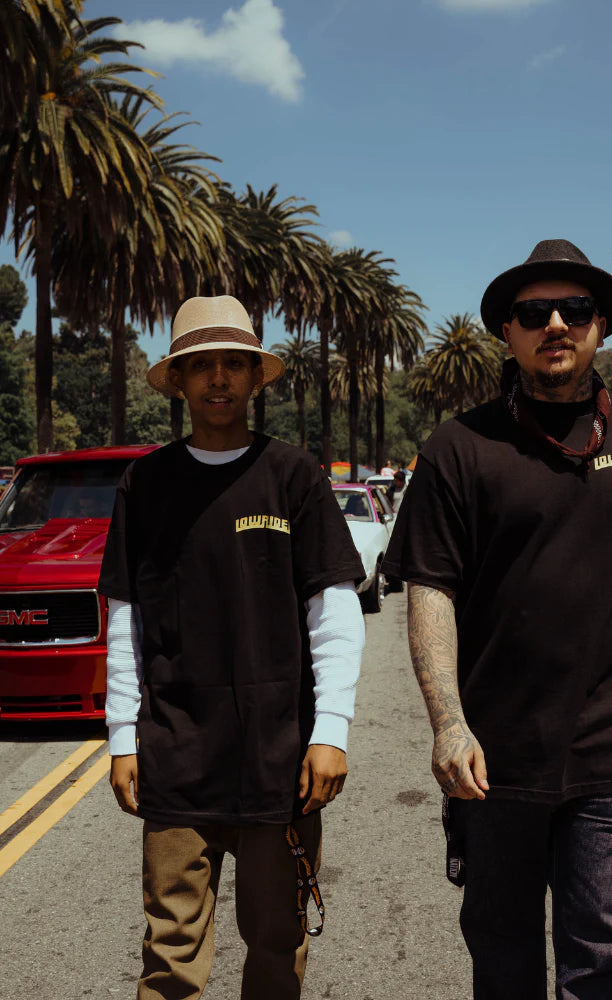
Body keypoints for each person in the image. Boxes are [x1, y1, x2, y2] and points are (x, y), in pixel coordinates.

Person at [381, 240, 612, 1000]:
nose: (555, 324)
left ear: (601, 325)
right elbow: (431, 590)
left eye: (575, 309)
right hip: (495, 764)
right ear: (508, 332)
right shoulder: (460, 447)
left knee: (607, 972)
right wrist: (448, 722)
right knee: (504, 965)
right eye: (534, 313)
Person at [99, 295, 366, 1000]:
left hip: (280, 760)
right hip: (175, 755)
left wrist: (330, 732)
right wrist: (122, 737)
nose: (218, 379)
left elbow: (334, 611)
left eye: (233, 364)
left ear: (254, 377)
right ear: (179, 381)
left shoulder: (293, 476)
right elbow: (126, 620)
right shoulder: (144, 484)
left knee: (277, 946)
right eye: (201, 366)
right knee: (170, 953)